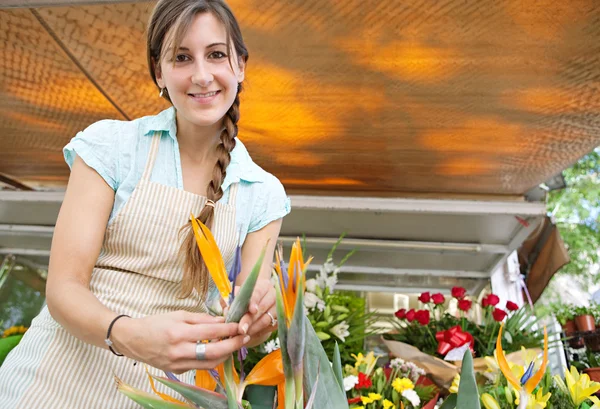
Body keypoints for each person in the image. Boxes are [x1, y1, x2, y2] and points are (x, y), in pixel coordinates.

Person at [0, 0, 290, 407]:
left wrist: (257, 319)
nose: (202, 75)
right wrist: (129, 335)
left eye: (217, 55)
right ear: (159, 71)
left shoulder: (263, 194)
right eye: (182, 57)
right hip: (53, 383)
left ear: (240, 65)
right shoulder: (112, 148)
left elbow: (245, 316)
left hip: (165, 394)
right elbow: (63, 289)